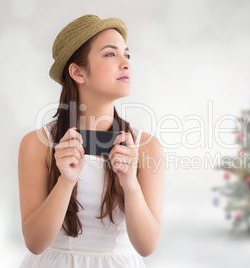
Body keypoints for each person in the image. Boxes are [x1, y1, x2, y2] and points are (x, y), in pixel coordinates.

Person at [17, 14, 165, 267]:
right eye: (110, 54)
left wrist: (130, 182)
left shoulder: (147, 147)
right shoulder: (37, 144)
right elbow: (35, 243)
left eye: (126, 55)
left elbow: (147, 246)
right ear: (77, 72)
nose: (126, 64)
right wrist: (66, 181)